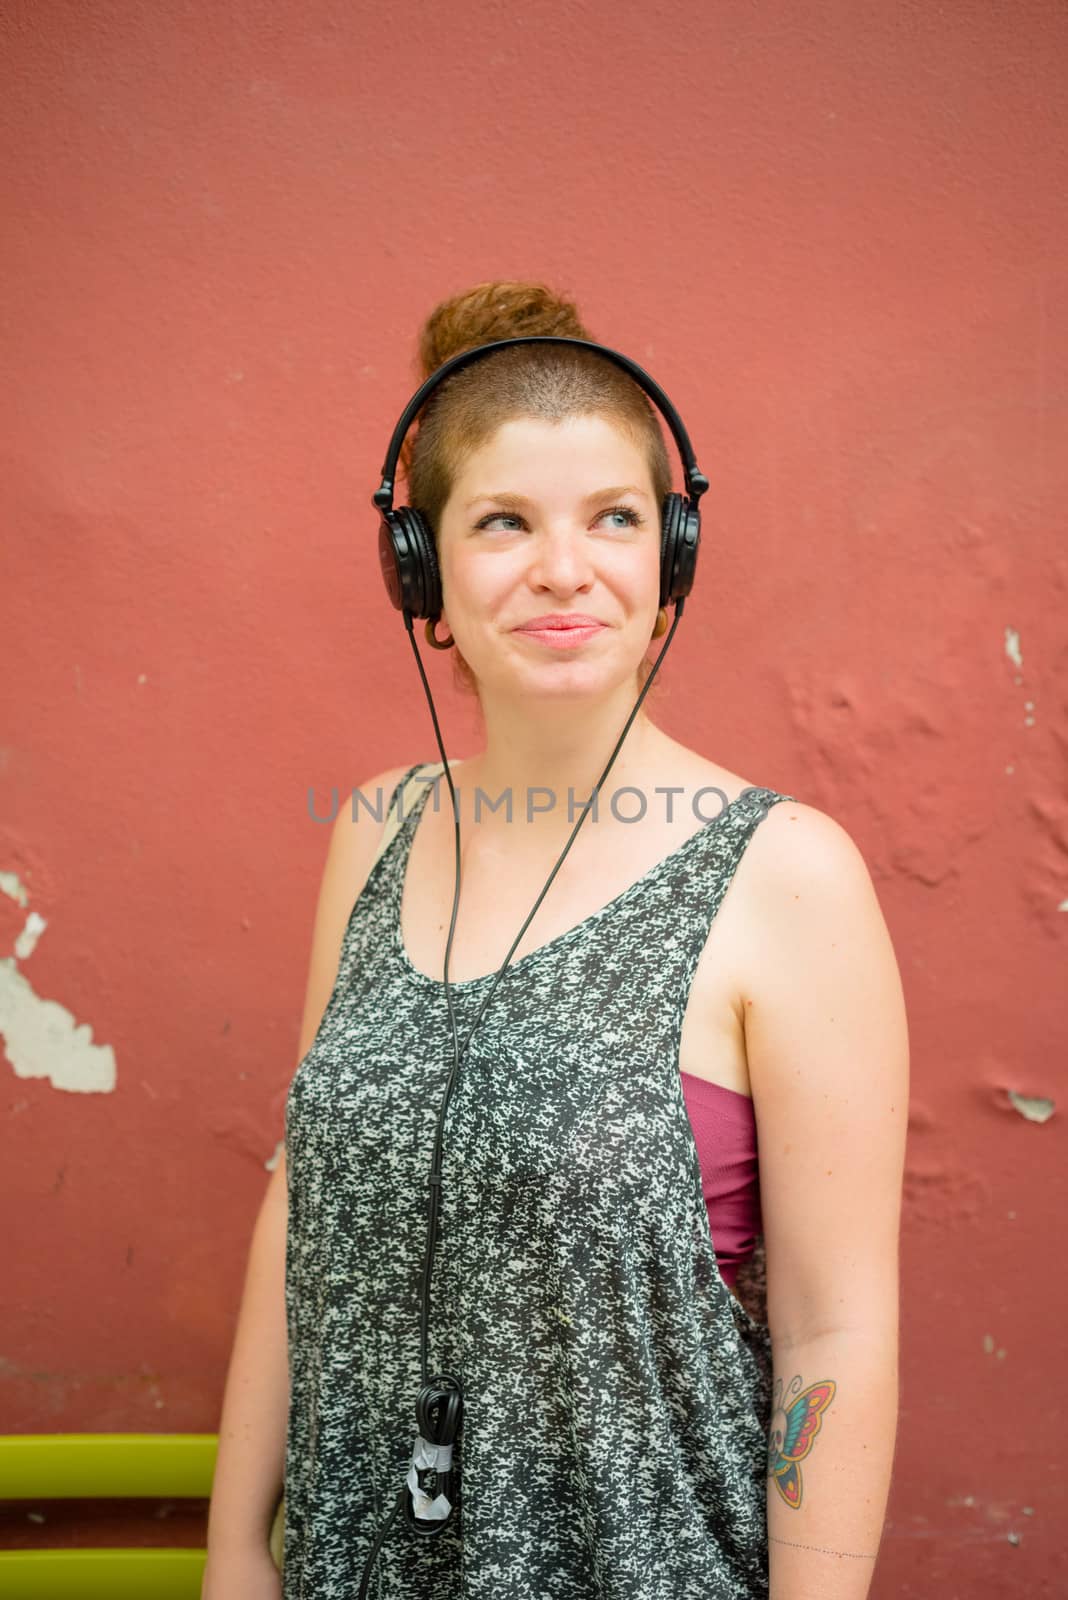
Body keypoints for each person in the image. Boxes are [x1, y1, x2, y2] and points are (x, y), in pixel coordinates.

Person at [202, 281, 908, 1600]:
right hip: (354, 1566)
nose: (565, 569)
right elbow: (298, 1200)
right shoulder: (377, 831)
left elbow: (836, 1333)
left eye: (616, 519)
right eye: (504, 523)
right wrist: (237, 1548)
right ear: (421, 568)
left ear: (672, 557)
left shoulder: (785, 874)